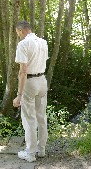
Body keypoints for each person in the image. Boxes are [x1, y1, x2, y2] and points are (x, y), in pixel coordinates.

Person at [13, 21, 48, 162]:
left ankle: (30, 153)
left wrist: (19, 95)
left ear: (21, 30)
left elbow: (23, 71)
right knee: (41, 117)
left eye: (18, 33)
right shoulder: (43, 42)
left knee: (29, 119)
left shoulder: (23, 44)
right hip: (42, 81)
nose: (19, 36)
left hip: (30, 82)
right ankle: (41, 149)